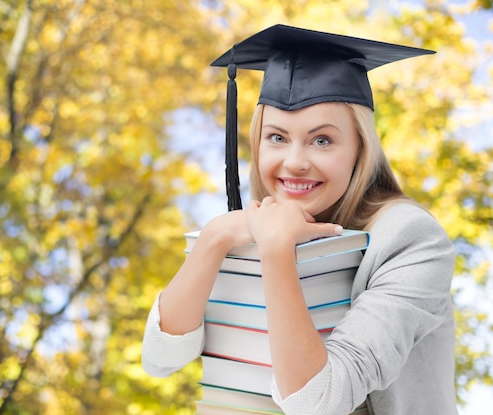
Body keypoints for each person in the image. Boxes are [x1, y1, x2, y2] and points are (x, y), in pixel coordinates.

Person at [142, 24, 457, 415]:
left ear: (361, 148)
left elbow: (319, 403)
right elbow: (160, 360)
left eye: (321, 140)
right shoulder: (247, 227)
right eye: (276, 137)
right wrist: (214, 239)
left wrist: (277, 251)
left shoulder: (410, 238)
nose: (294, 162)